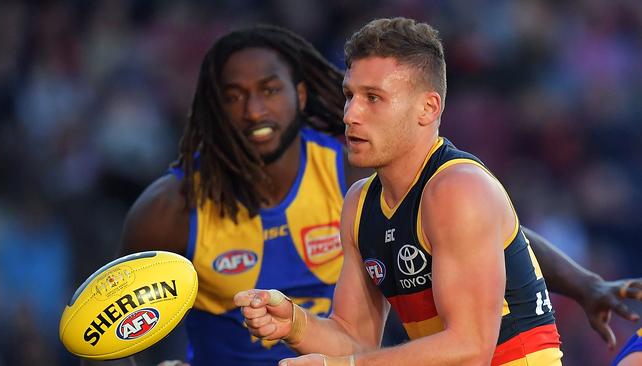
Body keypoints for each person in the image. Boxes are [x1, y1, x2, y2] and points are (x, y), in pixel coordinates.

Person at [110, 24, 640, 366]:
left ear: (427, 109)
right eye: (348, 97)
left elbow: (471, 348)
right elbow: (352, 337)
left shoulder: (458, 189)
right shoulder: (361, 202)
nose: (350, 114)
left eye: (372, 99)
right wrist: (293, 323)